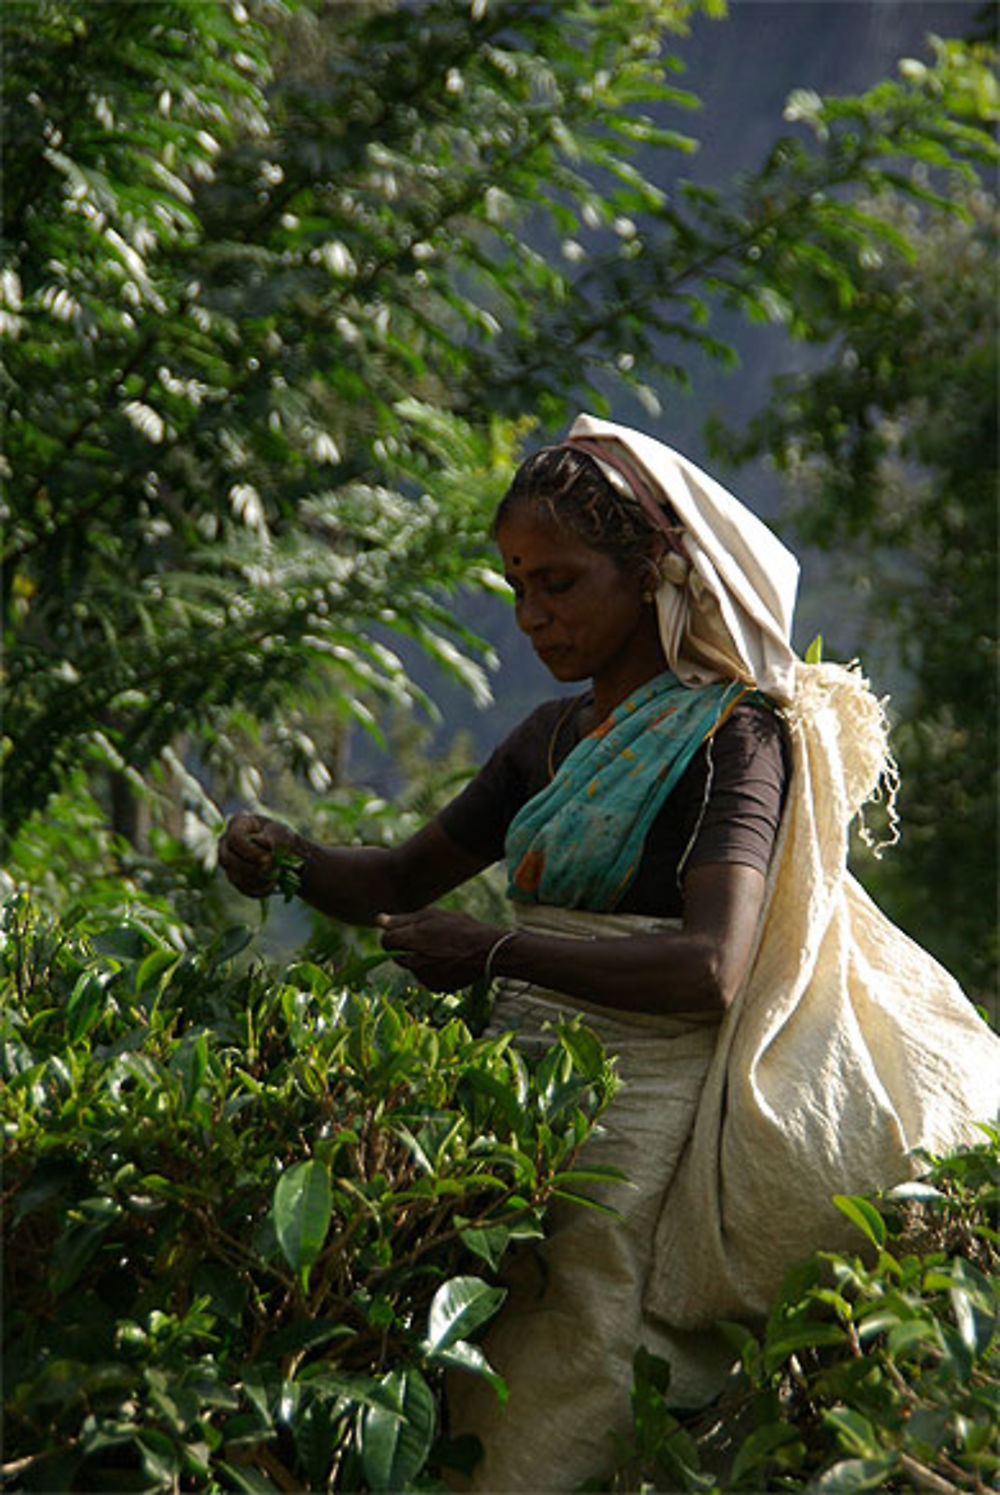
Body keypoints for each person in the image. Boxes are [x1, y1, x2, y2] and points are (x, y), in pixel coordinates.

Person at [219, 414, 1000, 1492]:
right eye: (518, 587)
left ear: (649, 572)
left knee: (586, 1373)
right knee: (494, 1378)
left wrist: (497, 951)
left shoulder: (736, 736)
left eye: (561, 583)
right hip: (524, 1114)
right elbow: (397, 882)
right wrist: (288, 858)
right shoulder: (547, 740)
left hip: (643, 1123)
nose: (534, 616)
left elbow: (710, 970)